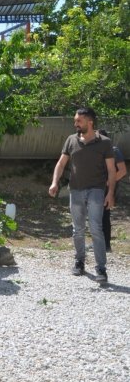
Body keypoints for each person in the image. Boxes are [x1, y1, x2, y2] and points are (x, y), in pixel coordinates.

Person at [49, 108, 115, 283]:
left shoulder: (105, 143)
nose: (75, 124)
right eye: (75, 121)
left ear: (90, 122)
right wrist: (55, 182)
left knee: (95, 228)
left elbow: (111, 170)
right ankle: (79, 261)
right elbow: (61, 164)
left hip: (96, 190)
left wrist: (110, 193)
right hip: (76, 189)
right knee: (77, 229)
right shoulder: (71, 140)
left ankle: (101, 268)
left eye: (79, 121)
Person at [97, 130, 126, 252]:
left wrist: (109, 182)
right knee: (96, 216)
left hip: (108, 189)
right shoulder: (97, 151)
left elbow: (122, 171)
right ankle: (99, 244)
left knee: (104, 216)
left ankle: (106, 246)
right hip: (96, 187)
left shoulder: (114, 150)